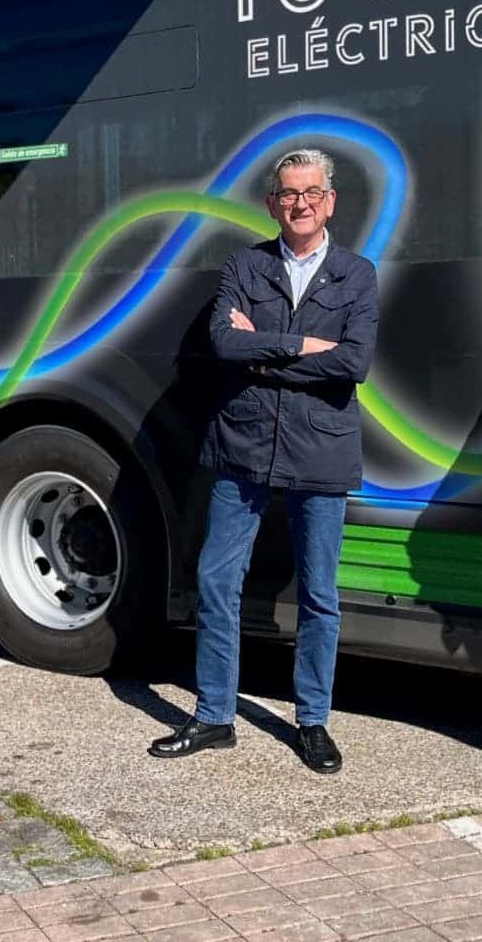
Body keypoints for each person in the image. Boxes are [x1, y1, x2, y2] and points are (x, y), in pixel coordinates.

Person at [150, 148, 377, 773]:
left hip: (320, 453)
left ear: (329, 200)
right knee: (218, 581)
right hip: (241, 446)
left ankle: (313, 722)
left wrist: (264, 354)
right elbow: (224, 343)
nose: (297, 204)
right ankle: (215, 715)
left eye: (309, 193)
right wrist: (301, 344)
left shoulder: (357, 274)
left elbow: (353, 364)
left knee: (318, 594)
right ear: (270, 203)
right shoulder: (244, 265)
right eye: (285, 194)